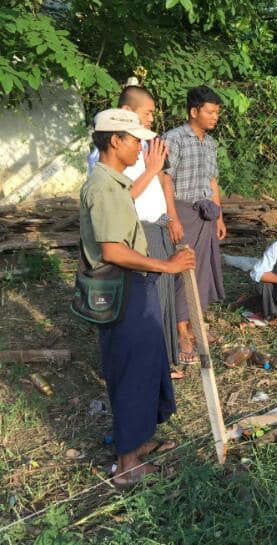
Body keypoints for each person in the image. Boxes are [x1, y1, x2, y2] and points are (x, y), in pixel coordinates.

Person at [80, 108, 195, 488]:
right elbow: (112, 249)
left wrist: (149, 171)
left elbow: (125, 198)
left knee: (147, 364)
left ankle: (137, 442)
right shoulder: (100, 186)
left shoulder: (111, 182)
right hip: (122, 286)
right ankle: (127, 465)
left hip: (131, 287)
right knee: (131, 372)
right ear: (115, 140)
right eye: (135, 140)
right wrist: (168, 265)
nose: (140, 147)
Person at [87, 86, 185, 378]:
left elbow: (162, 183)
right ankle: (147, 363)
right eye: (148, 113)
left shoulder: (145, 145)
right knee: (143, 302)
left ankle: (162, 358)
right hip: (134, 233)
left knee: (161, 296)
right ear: (126, 114)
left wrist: (170, 217)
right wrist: (151, 170)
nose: (152, 119)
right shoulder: (105, 160)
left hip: (157, 225)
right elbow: (123, 198)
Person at [162, 86, 226, 362]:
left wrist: (219, 216)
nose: (215, 117)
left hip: (205, 214)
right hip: (182, 212)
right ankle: (181, 331)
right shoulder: (173, 139)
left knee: (202, 271)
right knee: (183, 268)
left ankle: (196, 323)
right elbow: (164, 179)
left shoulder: (209, 144)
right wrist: (172, 218)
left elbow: (212, 181)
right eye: (210, 112)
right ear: (194, 111)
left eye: (217, 112)